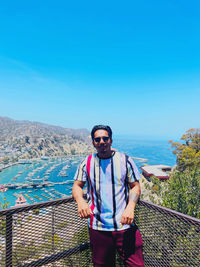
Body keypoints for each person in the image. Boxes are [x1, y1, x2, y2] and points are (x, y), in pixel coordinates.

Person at [72, 125, 144, 267]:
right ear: (93, 142)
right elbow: (77, 185)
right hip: (98, 228)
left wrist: (130, 207)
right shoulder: (86, 163)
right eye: (97, 139)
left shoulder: (125, 161)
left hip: (125, 226)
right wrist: (80, 201)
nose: (102, 142)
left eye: (105, 138)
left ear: (111, 140)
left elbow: (135, 186)